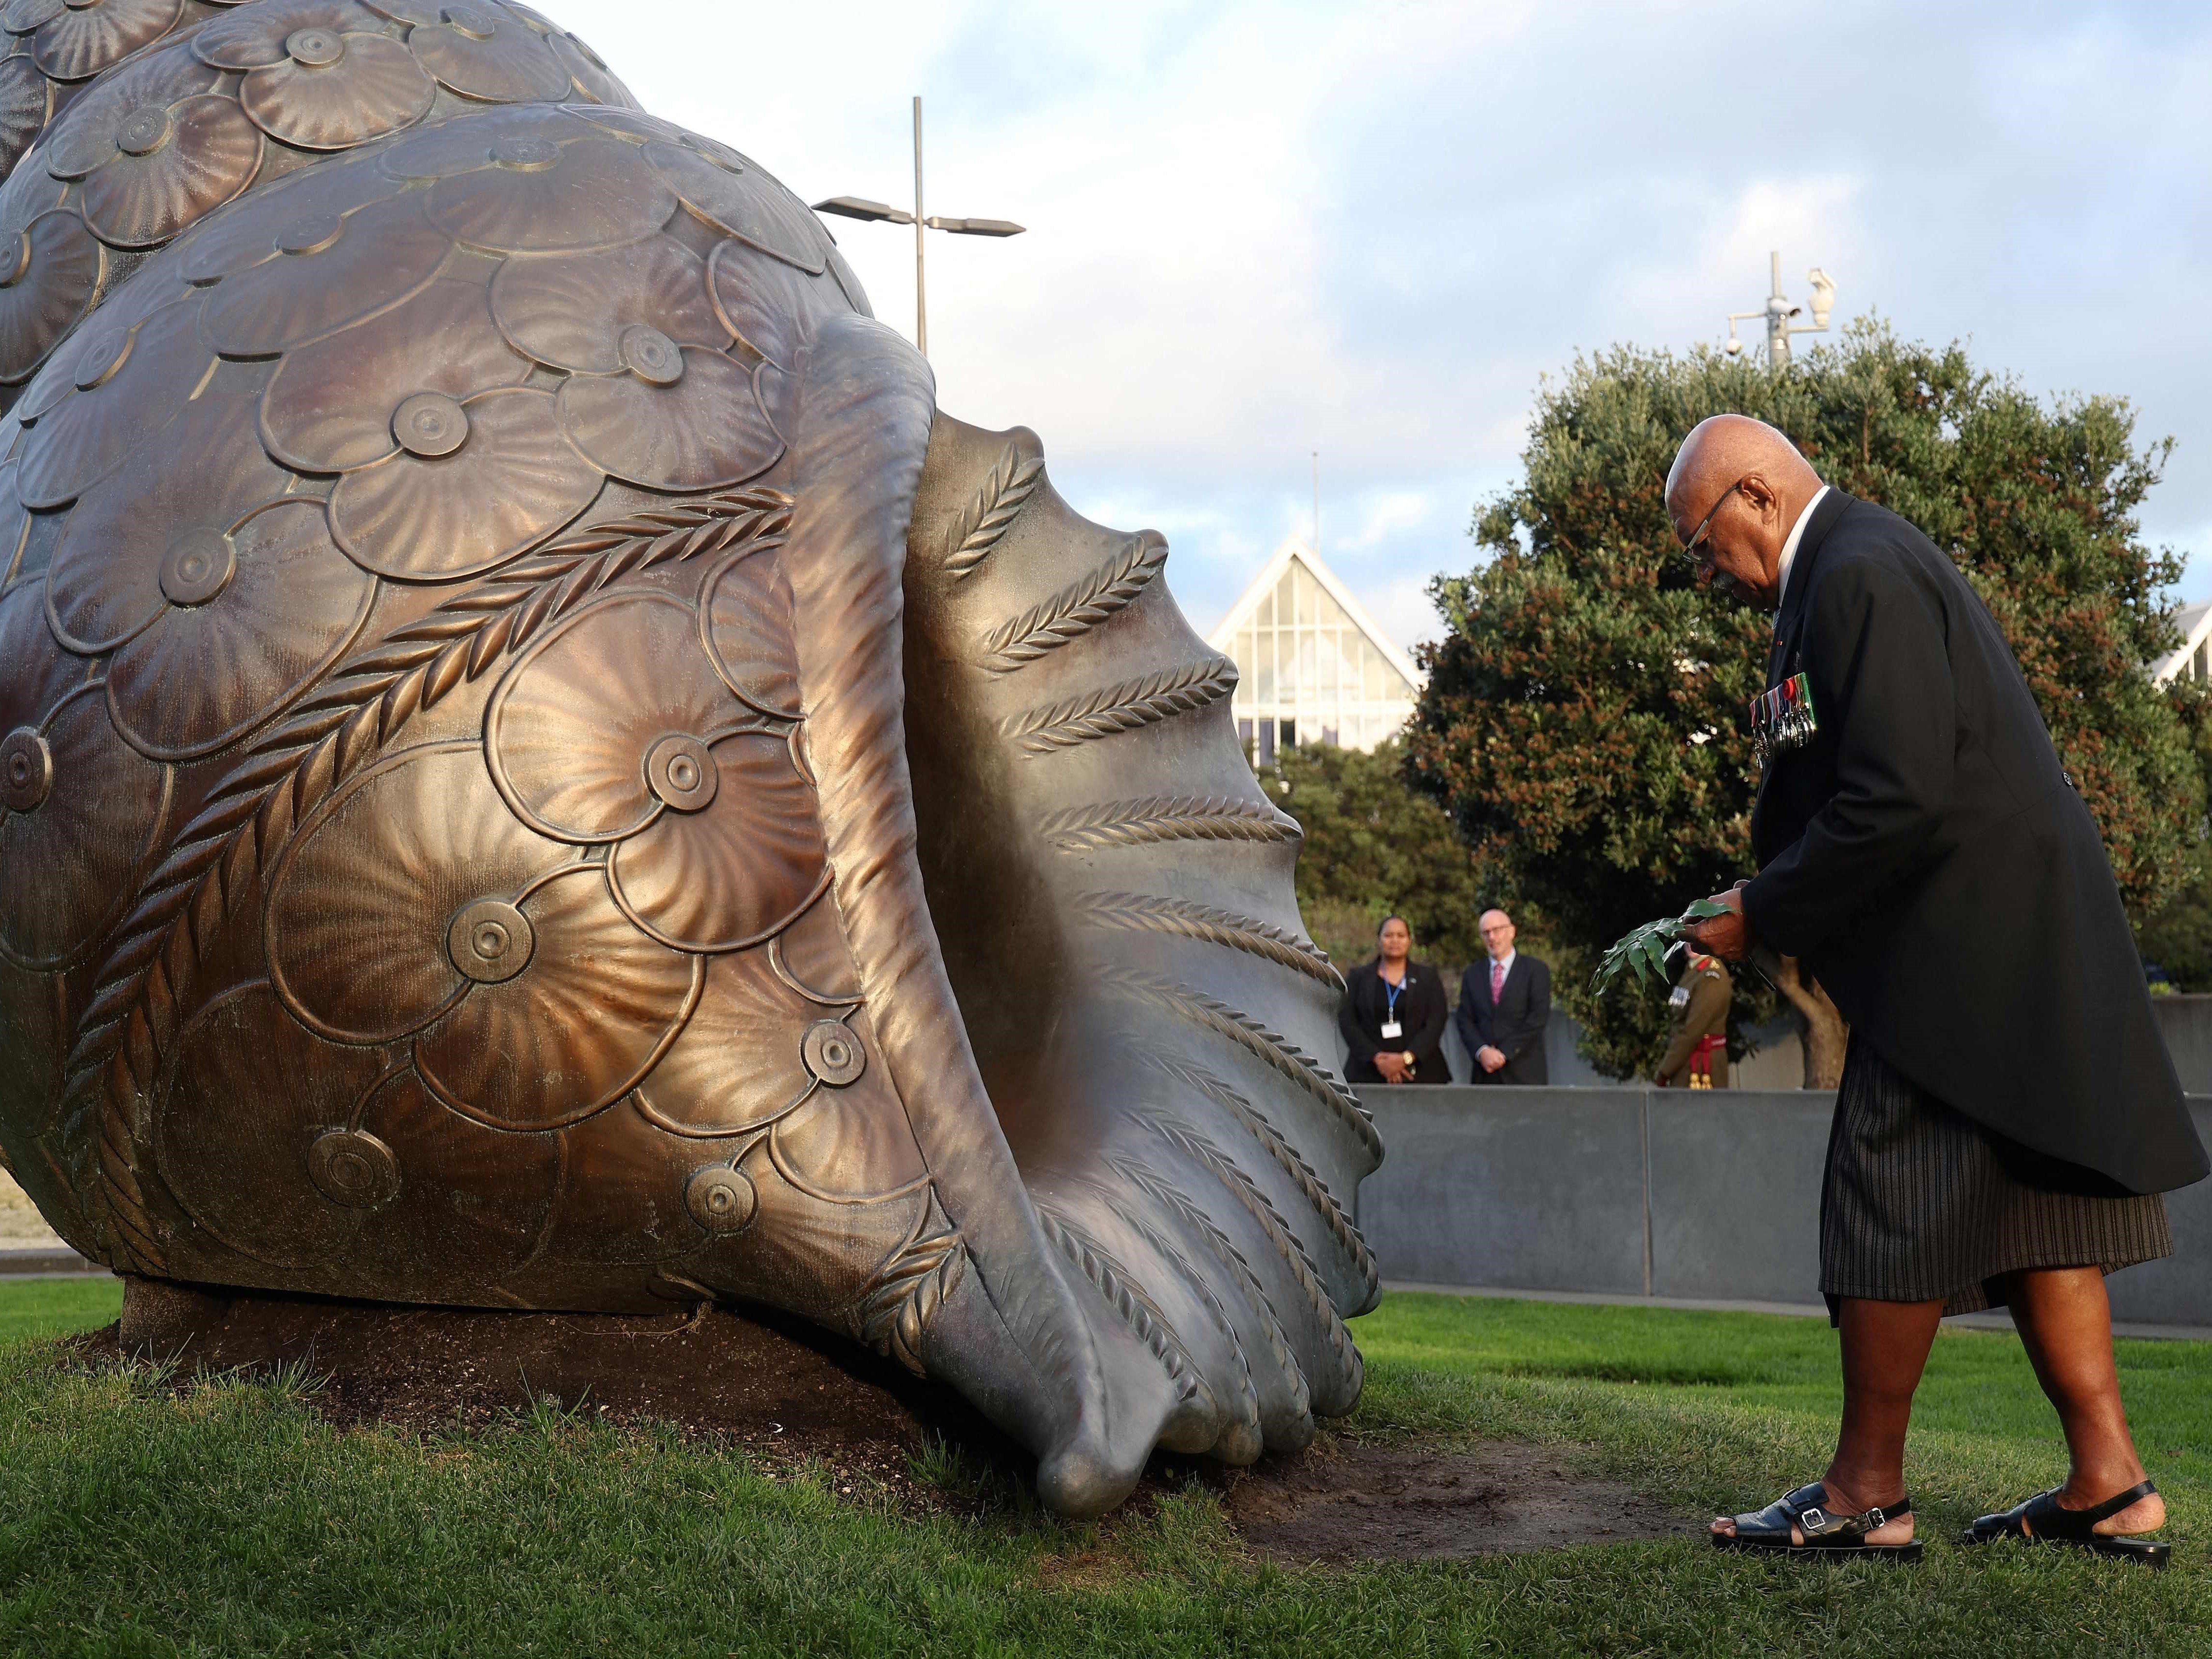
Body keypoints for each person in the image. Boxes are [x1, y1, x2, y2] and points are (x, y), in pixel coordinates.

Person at [1668, 414, 2207, 1565]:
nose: (1700, 569)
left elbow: (1897, 795)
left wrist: (1760, 910)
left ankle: (1863, 1492)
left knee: (1881, 1194)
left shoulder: (1852, 571)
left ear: (1755, 496)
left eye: (1698, 540)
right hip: (2009, 930)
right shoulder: (1847, 566)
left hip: (1961, 947)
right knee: (2036, 1199)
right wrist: (1761, 889)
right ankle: (2110, 1484)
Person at [1339, 916, 1451, 1084]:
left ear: (1410, 941)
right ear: (1379, 940)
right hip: (1368, 1072)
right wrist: (1378, 1059)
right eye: (1389, 935)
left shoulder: (1428, 978)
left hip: (1422, 1072)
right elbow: (1348, 1021)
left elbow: (1436, 1020)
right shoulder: (1358, 978)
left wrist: (1406, 1059)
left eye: (1401, 936)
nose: (1395, 941)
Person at [1454, 908, 1550, 1084]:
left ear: (1512, 931)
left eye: (1497, 930)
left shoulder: (1536, 971)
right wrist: (1482, 1051)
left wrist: (1504, 1053)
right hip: (1485, 1074)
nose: (1492, 937)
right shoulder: (1472, 974)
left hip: (1525, 1073)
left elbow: (1537, 1018)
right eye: (1486, 933)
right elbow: (1464, 1019)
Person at [1655, 950, 1731, 1089]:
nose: (1691, 943)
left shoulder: (1711, 976)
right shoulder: (1694, 968)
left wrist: (1665, 1070)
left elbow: (1693, 1030)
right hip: (1687, 1060)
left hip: (1701, 1065)